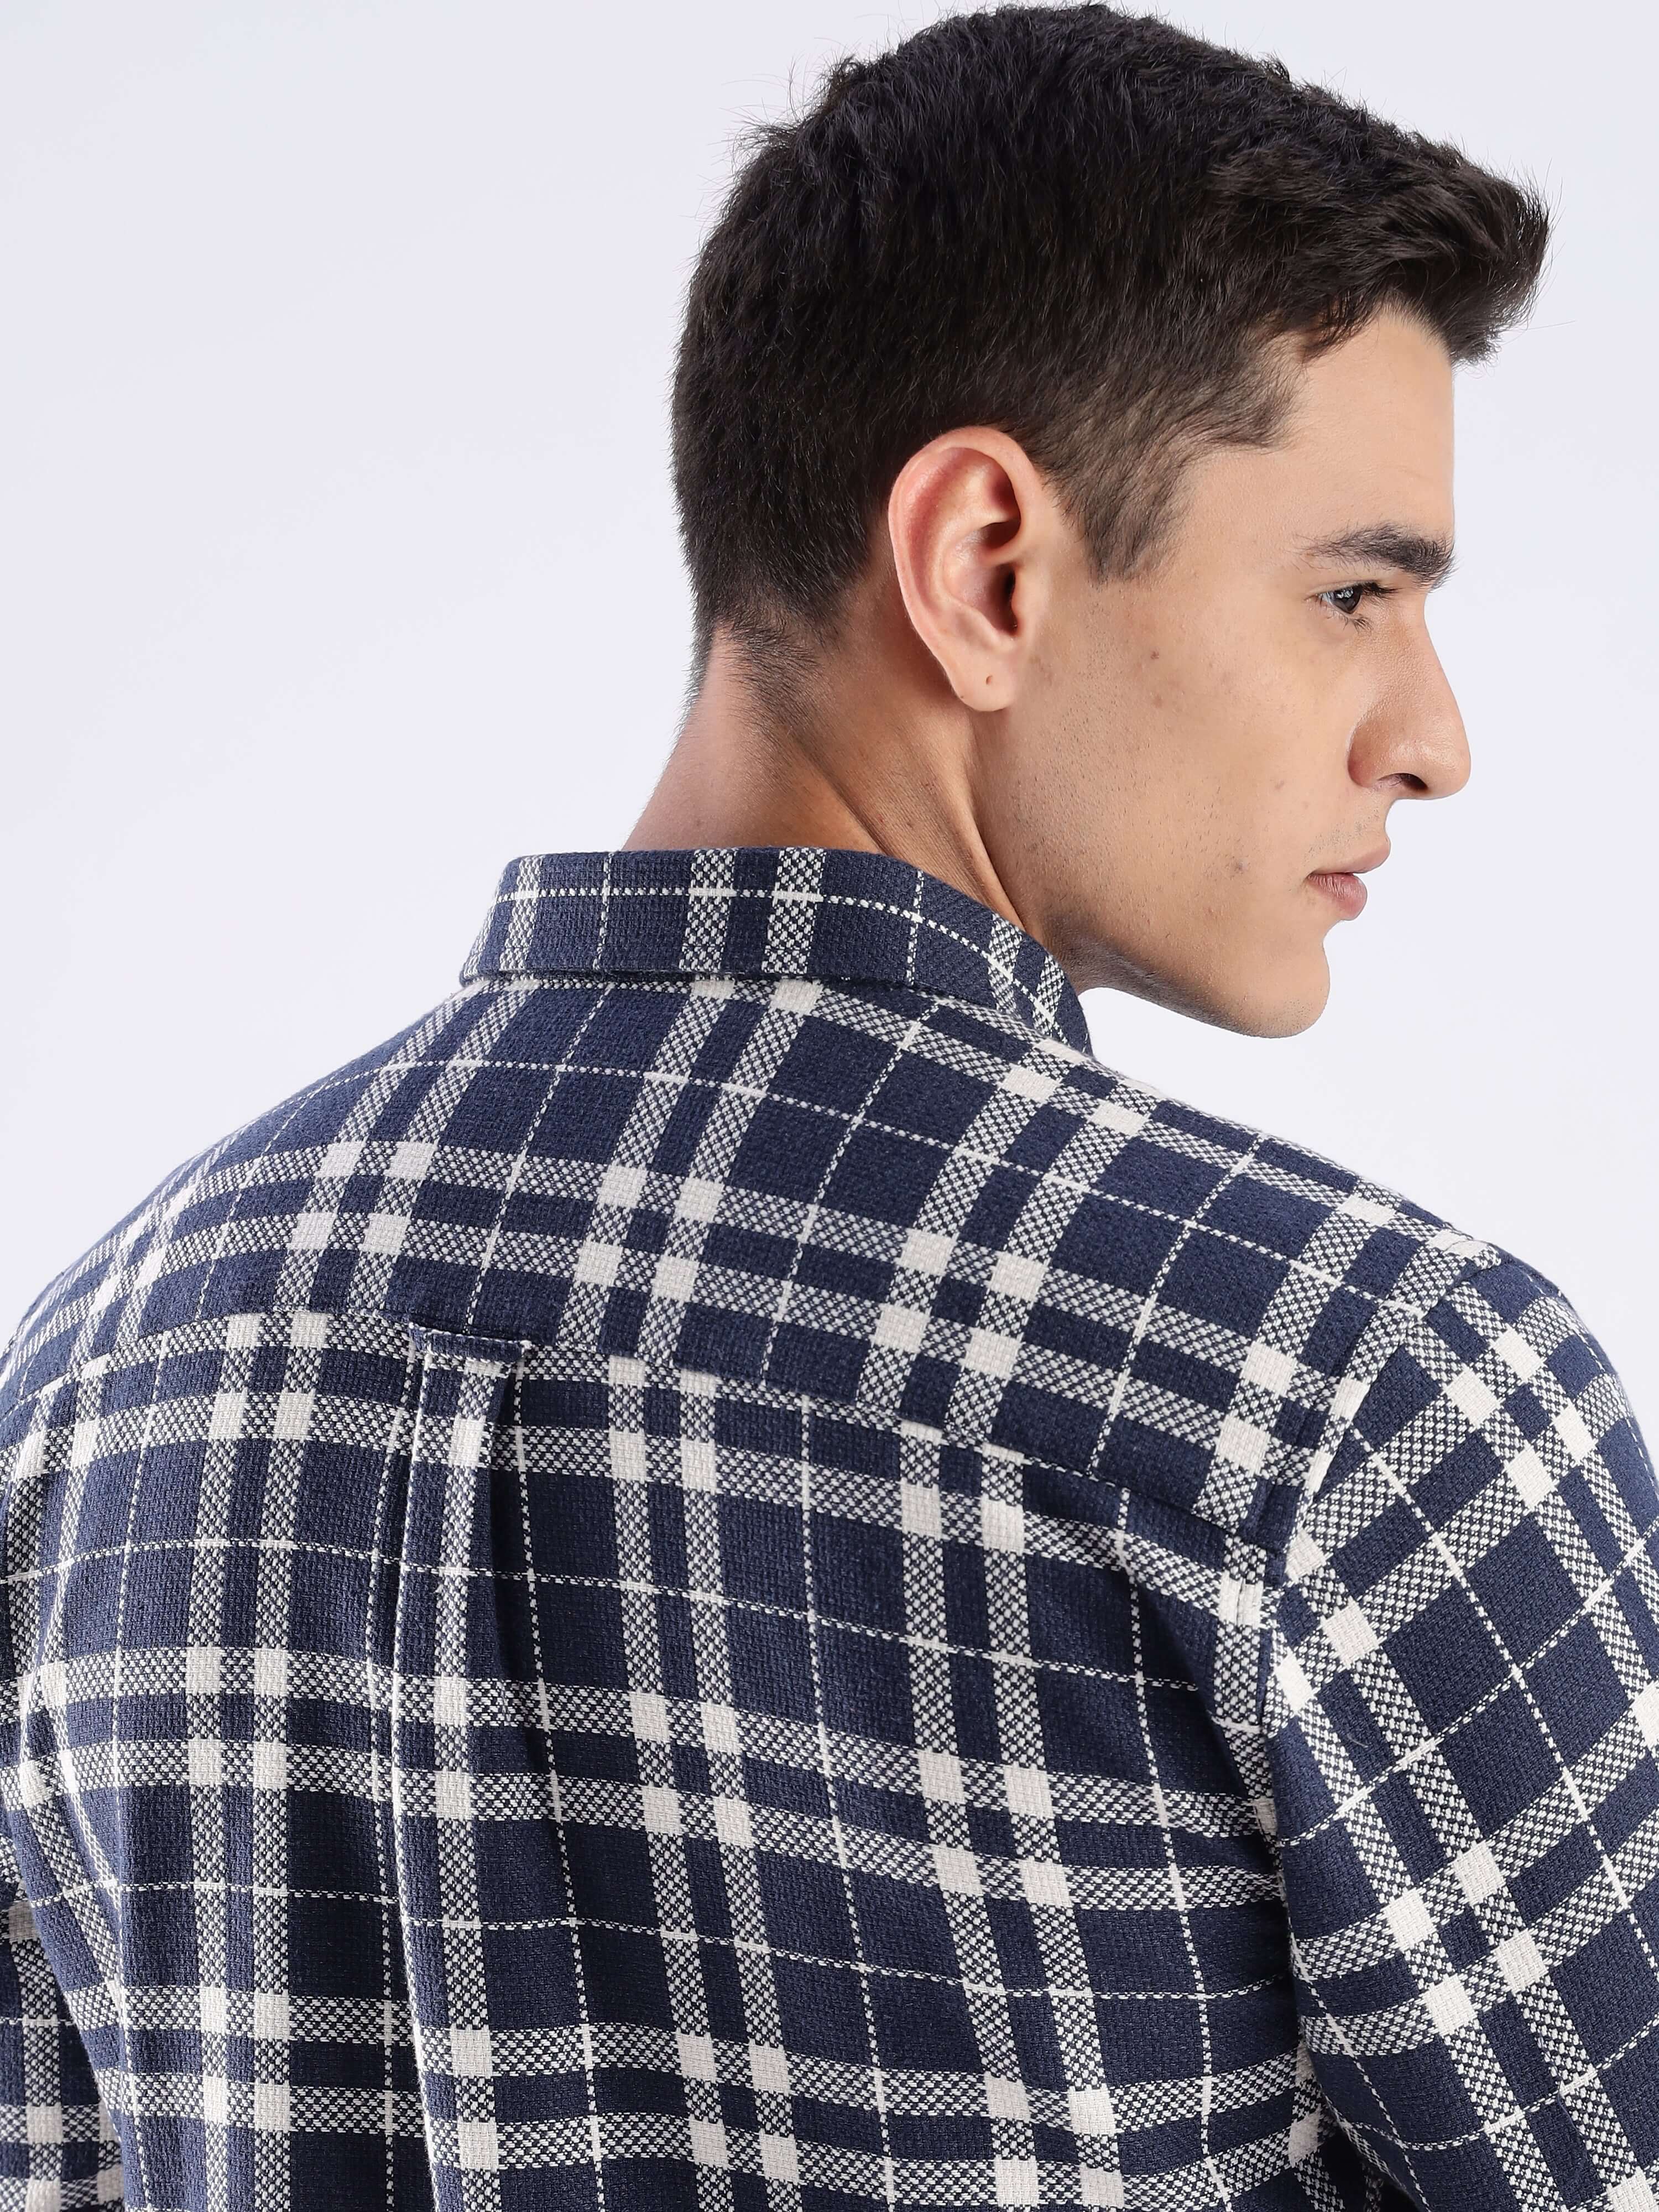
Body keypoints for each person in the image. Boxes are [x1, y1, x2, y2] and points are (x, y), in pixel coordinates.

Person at [0, 6, 1649, 2205]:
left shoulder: (93, 1385)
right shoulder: (1354, 1404)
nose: (1431, 737)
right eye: (1354, 590)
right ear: (986, 565)